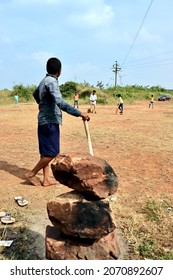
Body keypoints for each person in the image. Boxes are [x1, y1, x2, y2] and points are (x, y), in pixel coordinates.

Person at [25, 57, 90, 187]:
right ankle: (31, 174)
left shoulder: (44, 81)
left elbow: (35, 93)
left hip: (43, 120)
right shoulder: (52, 82)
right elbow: (60, 102)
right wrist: (79, 113)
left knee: (45, 152)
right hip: (50, 121)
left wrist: (42, 104)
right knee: (53, 152)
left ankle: (46, 179)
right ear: (59, 71)